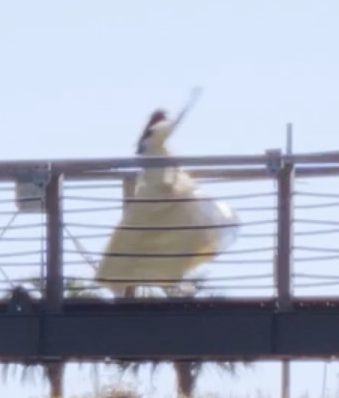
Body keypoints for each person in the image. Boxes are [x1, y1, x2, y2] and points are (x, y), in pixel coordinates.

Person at [93, 107, 239, 296]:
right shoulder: (155, 139)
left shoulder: (149, 143)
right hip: (159, 195)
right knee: (148, 239)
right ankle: (135, 282)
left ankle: (135, 282)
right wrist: (184, 112)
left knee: (142, 240)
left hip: (158, 195)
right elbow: (167, 130)